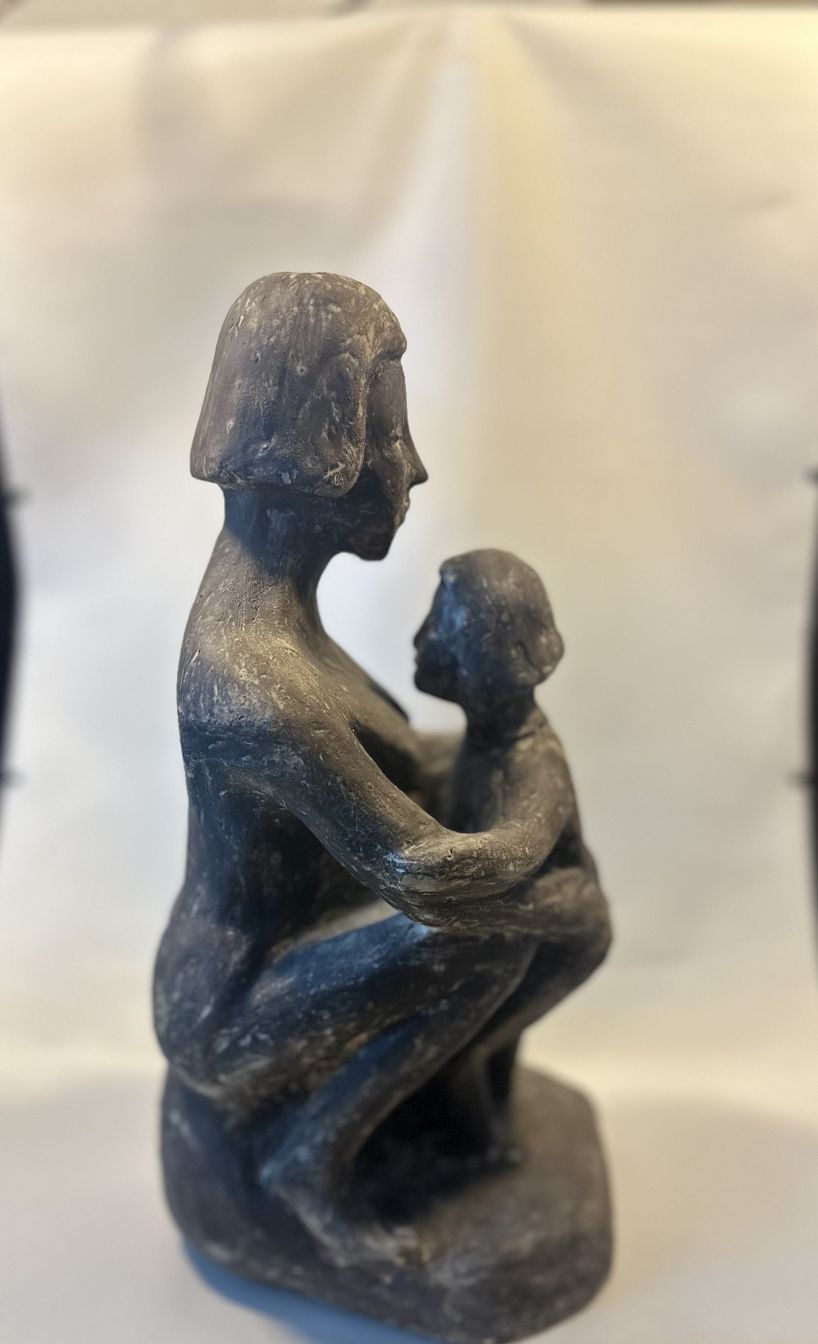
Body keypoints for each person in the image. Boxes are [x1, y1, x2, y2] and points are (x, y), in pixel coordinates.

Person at [155, 274, 570, 1263]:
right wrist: (539, 823)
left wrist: (511, 747)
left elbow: (402, 765)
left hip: (279, 966)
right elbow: (419, 867)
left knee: (527, 923)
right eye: (388, 429)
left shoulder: (284, 629)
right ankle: (310, 1160)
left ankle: (434, 1104)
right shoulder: (253, 679)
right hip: (232, 1006)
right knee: (479, 938)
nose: (412, 468)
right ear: (315, 452)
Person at [410, 549, 612, 1150]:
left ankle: (481, 1153)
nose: (420, 640)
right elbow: (430, 757)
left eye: (439, 627)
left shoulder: (532, 762)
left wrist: (414, 856)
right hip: (525, 923)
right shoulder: (488, 740)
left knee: (462, 1049)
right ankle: (489, 1130)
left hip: (561, 932)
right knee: (482, 1041)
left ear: (486, 658)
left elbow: (515, 848)